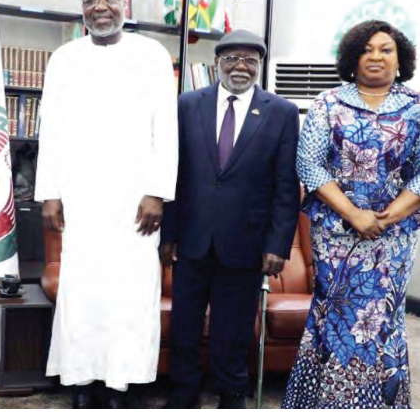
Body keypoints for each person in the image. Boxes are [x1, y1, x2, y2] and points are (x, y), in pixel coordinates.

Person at [35, 0, 178, 409]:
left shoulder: (152, 54)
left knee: (129, 294)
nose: (101, 8)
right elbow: (51, 129)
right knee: (82, 293)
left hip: (135, 201)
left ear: (124, 3)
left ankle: (120, 381)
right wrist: (50, 192)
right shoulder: (64, 59)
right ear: (82, 8)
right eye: (91, 1)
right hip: (81, 198)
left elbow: (166, 129)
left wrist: (158, 191)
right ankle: (81, 381)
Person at [160, 29, 300, 409]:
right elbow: (172, 173)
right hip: (191, 237)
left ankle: (231, 392)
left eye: (250, 60)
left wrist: (277, 244)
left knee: (234, 327)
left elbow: (286, 185)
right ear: (217, 63)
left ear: (259, 66)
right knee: (186, 324)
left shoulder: (282, 112)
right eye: (232, 59)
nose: (241, 66)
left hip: (247, 242)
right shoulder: (187, 105)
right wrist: (168, 233)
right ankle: (184, 393)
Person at [282, 20, 419, 409]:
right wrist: (354, 214)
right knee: (335, 314)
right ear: (351, 58)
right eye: (366, 49)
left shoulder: (417, 106)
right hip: (335, 235)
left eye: (386, 49)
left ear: (400, 59)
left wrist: (386, 217)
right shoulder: (328, 103)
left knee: (384, 319)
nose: (375, 56)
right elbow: (309, 165)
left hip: (393, 238)